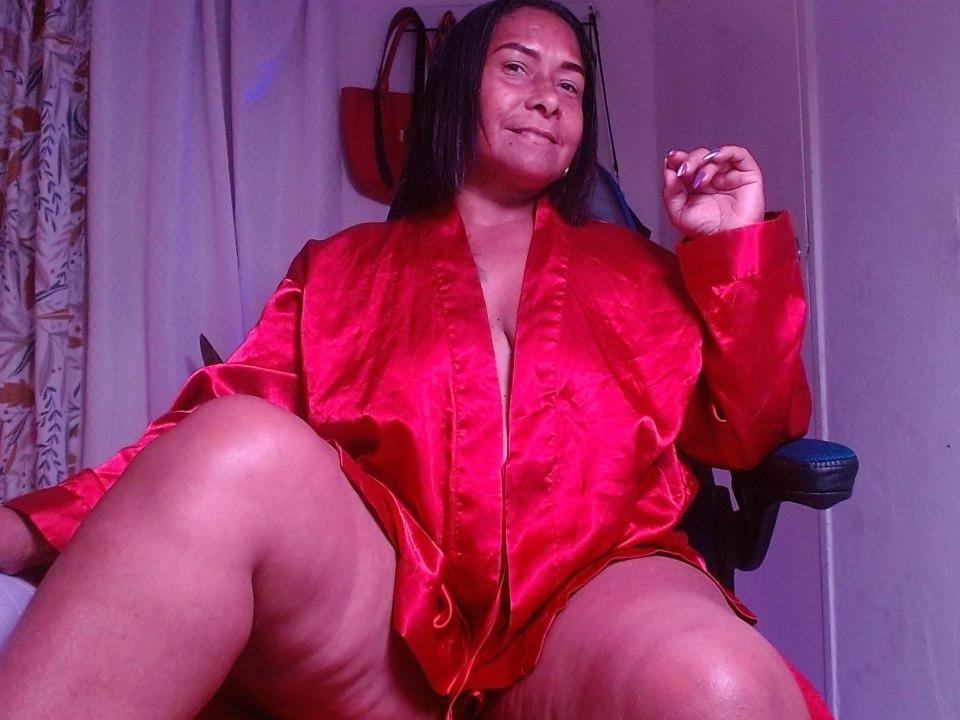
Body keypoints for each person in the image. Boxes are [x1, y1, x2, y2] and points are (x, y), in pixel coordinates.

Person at [0, 1, 816, 718]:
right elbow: (196, 442)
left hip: (594, 599)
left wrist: (732, 245)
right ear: (457, 93)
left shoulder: (643, 274)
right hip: (389, 622)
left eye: (570, 86)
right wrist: (29, 530)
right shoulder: (339, 270)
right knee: (234, 437)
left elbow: (753, 428)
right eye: (516, 67)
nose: (547, 96)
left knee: (721, 686)